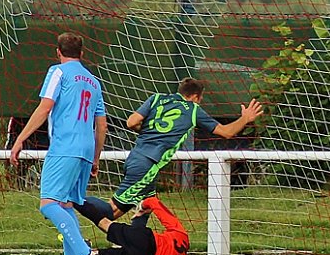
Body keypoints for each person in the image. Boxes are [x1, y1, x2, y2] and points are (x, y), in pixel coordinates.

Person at [76, 77, 263, 227]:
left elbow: (131, 122)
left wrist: (149, 131)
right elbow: (226, 132)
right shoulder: (192, 110)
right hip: (149, 165)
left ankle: (133, 249)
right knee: (112, 211)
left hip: (135, 157)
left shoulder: (157, 98)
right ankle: (72, 198)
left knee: (146, 204)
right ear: (196, 97)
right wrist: (245, 118)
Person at [9, 32, 107, 255]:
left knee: (49, 204)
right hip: (85, 149)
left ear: (58, 52)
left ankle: (85, 253)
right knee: (66, 205)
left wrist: (20, 138)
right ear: (82, 53)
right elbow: (101, 125)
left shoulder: (58, 72)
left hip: (65, 147)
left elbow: (45, 106)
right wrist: (95, 157)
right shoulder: (94, 81)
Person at [91, 196, 189, 255]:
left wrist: (142, 207)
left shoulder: (182, 234)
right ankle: (85, 253)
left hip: (147, 240)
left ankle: (78, 201)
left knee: (105, 224)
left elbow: (152, 201)